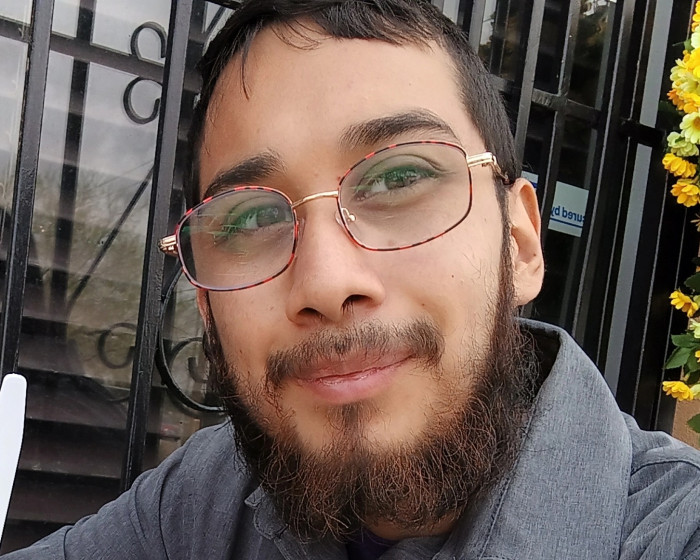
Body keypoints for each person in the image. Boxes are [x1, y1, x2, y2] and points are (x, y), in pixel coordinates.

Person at [4, 1, 700, 558]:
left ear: (519, 242)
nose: (326, 281)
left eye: (399, 178)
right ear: (206, 308)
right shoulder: (201, 504)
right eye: (250, 220)